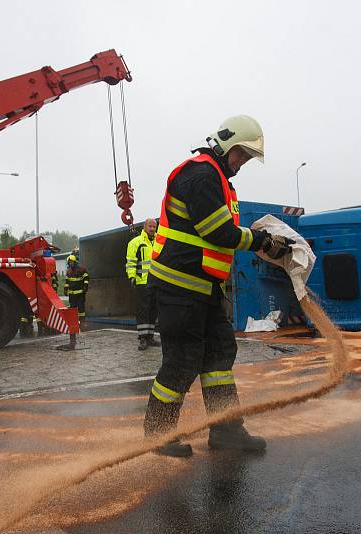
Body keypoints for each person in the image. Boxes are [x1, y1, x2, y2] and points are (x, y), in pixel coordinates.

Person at [144, 115, 294, 457]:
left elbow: (219, 234)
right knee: (182, 360)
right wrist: (262, 241)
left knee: (219, 356)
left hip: (203, 288)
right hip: (180, 287)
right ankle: (156, 437)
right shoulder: (201, 175)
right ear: (226, 144)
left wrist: (258, 240)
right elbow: (219, 232)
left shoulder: (216, 178)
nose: (242, 163)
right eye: (241, 154)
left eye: (247, 158)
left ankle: (227, 431)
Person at [126, 218, 160, 351]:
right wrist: (132, 276)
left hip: (156, 282)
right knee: (143, 311)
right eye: (150, 226)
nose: (152, 229)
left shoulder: (160, 241)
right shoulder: (135, 242)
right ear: (144, 227)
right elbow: (131, 261)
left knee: (153, 310)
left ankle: (150, 337)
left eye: (154, 226)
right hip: (142, 282)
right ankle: (143, 339)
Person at [65, 254, 89, 327]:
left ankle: (82, 322)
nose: (70, 264)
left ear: (75, 262)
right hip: (72, 295)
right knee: (73, 309)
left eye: (71, 262)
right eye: (69, 262)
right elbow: (67, 282)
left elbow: (86, 278)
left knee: (81, 308)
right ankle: (74, 323)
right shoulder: (68, 271)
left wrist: (85, 287)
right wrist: (65, 289)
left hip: (80, 293)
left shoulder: (81, 269)